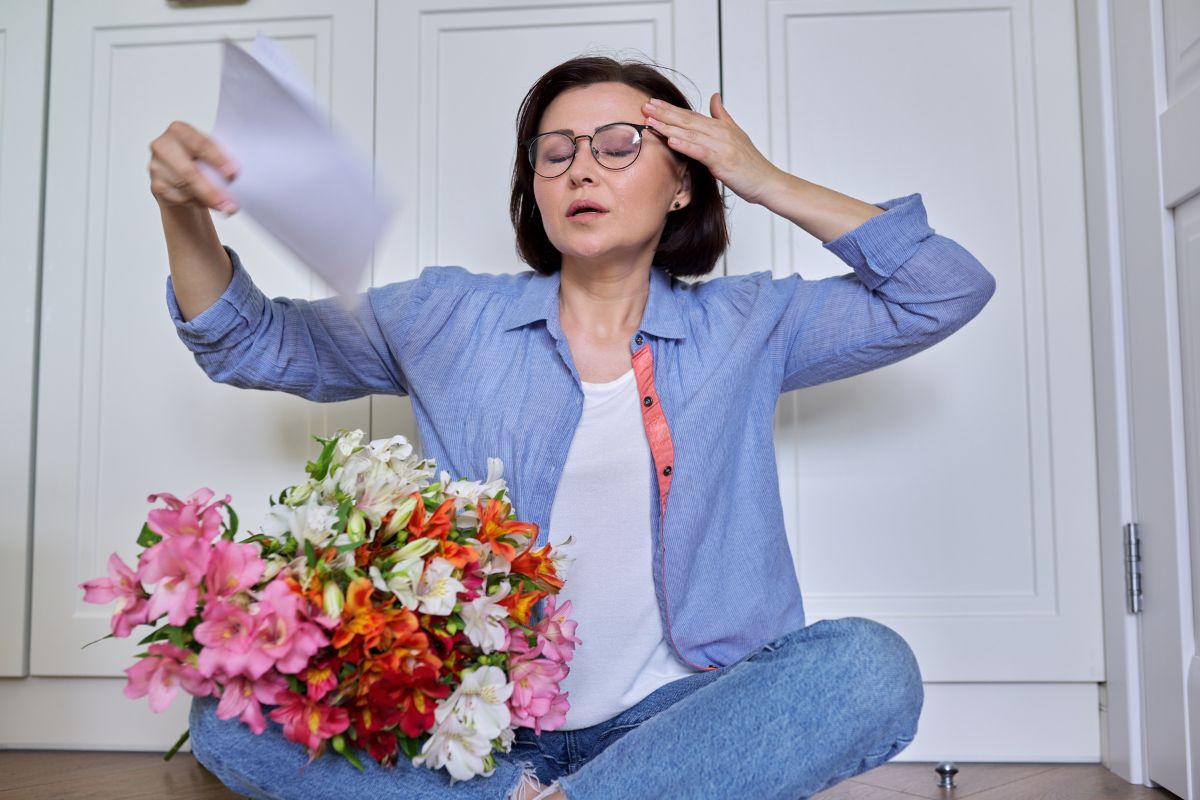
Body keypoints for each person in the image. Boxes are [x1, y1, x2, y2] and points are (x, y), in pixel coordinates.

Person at [149, 54, 995, 800]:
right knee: (232, 717)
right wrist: (182, 210)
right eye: (556, 153)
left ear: (684, 178)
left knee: (870, 669)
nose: (581, 169)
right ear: (535, 189)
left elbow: (943, 289)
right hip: (480, 733)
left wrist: (763, 179)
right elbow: (249, 343)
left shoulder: (750, 324)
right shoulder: (448, 316)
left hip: (675, 720)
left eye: (619, 145)